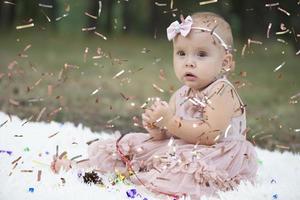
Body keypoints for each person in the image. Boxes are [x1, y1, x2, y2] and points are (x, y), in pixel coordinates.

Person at [51, 12, 258, 200]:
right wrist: (157, 127)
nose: (189, 62)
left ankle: (125, 177)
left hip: (217, 156)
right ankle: (90, 169)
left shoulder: (222, 91)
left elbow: (209, 136)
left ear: (226, 62)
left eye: (201, 54)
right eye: (181, 53)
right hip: (184, 147)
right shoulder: (181, 94)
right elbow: (169, 136)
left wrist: (171, 121)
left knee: (181, 172)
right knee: (139, 147)